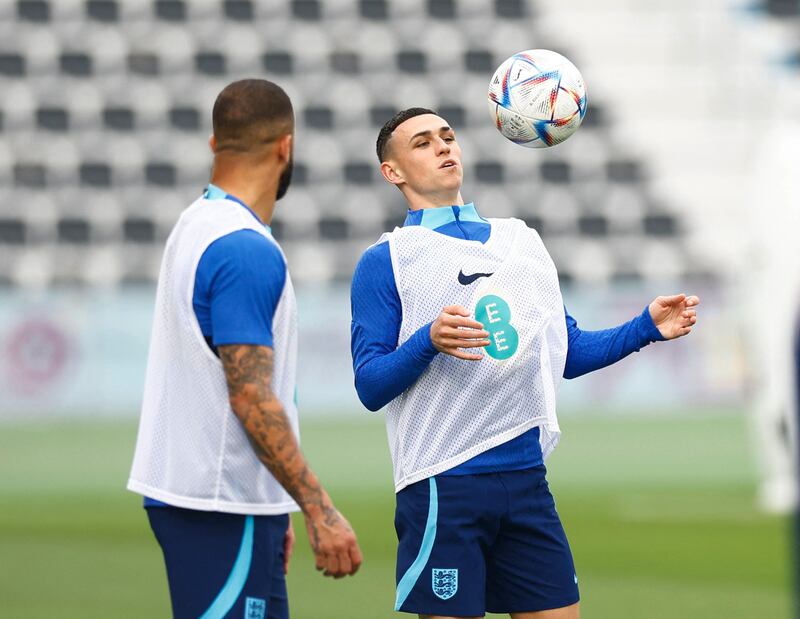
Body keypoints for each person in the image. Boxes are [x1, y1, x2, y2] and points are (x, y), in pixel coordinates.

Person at [350, 107, 699, 619]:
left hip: (526, 480)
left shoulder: (523, 240)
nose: (444, 147)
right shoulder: (387, 261)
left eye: (448, 136)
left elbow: (568, 352)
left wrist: (644, 327)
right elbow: (370, 385)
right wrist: (427, 339)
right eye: (423, 143)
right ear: (392, 172)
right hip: (443, 484)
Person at [128, 79, 362, 619]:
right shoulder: (243, 250)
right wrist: (318, 509)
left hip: (220, 501)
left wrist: (273, 505)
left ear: (215, 145)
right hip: (219, 504)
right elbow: (251, 398)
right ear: (286, 146)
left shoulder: (195, 223)